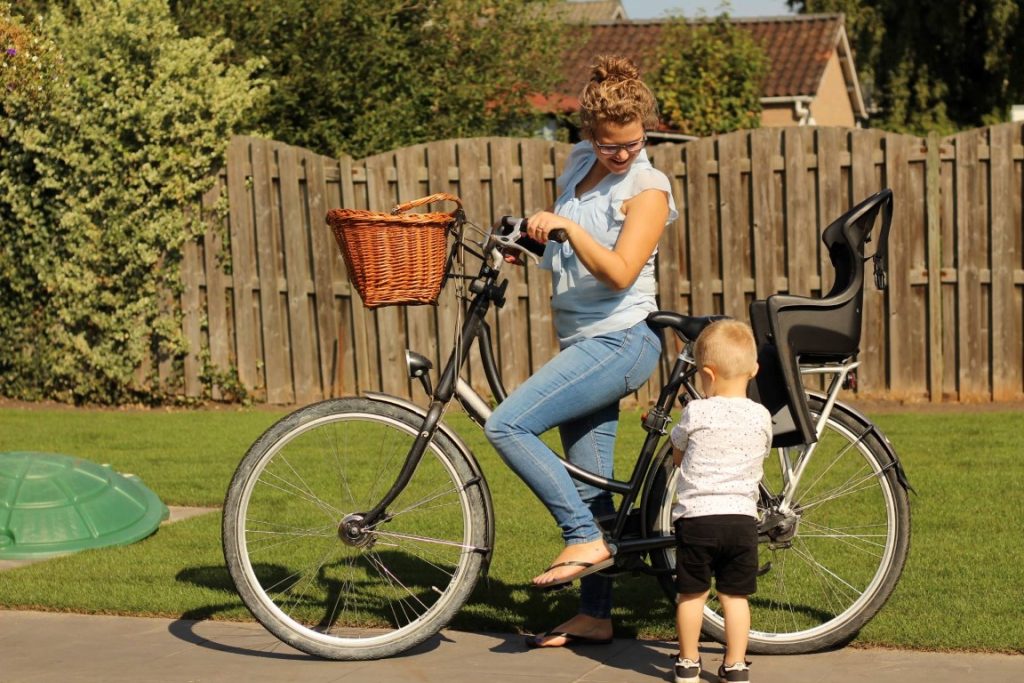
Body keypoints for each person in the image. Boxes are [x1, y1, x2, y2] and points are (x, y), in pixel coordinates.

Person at [483, 55, 677, 649]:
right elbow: (571, 254)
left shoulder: (648, 186)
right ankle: (595, 614)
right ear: (589, 134)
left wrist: (570, 231)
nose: (623, 155)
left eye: (633, 142)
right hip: (583, 339)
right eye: (610, 145)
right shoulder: (577, 164)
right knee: (593, 484)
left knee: (507, 425)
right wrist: (533, 243)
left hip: (622, 339)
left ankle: (582, 538)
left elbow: (618, 272)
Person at [669, 319, 773, 683]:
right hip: (742, 522)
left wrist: (679, 454)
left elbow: (678, 450)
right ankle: (735, 665)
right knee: (735, 598)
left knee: (692, 595)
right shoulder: (761, 416)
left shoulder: (696, 412)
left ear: (707, 374)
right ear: (754, 369)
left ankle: (687, 662)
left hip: (697, 520)